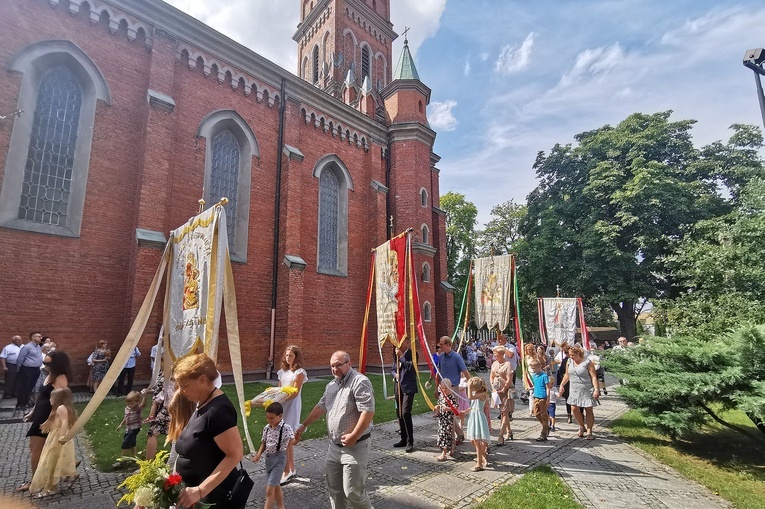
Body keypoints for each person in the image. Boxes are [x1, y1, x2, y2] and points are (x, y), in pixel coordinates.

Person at [294, 351, 375, 509]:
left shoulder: (360, 381)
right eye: (332, 366)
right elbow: (320, 406)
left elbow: (368, 411)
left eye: (339, 365)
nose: (335, 369)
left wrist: (354, 435)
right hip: (334, 447)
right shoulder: (331, 385)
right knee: (335, 491)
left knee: (353, 492)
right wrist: (303, 425)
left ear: (349, 363)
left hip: (355, 446)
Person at [172, 353, 243, 509]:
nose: (182, 392)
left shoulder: (218, 411)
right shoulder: (203, 402)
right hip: (197, 496)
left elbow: (235, 454)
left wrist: (200, 490)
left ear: (202, 380)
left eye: (184, 386)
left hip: (215, 497)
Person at [17, 350, 72, 493]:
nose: (45, 365)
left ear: (57, 364)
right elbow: (42, 396)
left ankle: (36, 481)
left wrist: (50, 420)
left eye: (48, 363)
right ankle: (48, 475)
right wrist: (33, 411)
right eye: (44, 362)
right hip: (40, 414)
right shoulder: (50, 375)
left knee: (37, 450)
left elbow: (60, 402)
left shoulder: (60, 378)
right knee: (38, 449)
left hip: (48, 417)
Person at [29, 387, 77, 497]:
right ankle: (63, 479)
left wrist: (62, 436)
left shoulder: (60, 408)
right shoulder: (61, 408)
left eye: (52, 397)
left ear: (58, 399)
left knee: (51, 461)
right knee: (55, 461)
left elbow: (64, 422)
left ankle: (51, 487)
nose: (50, 399)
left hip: (57, 439)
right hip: (55, 437)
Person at [253, 402, 293, 509]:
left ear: (280, 416)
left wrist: (296, 438)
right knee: (276, 486)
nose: (269, 420)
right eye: (267, 418)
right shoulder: (267, 428)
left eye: (272, 418)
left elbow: (292, 441)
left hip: (279, 459)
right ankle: (281, 507)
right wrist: (258, 454)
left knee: (269, 490)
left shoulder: (286, 428)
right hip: (268, 460)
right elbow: (264, 443)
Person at [276, 345, 306, 484]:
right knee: (285, 437)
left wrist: (280, 399)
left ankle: (286, 471)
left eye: (291, 356)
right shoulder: (282, 371)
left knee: (286, 437)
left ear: (296, 357)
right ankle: (291, 469)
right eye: (286, 355)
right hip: (282, 405)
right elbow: (279, 388)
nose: (288, 358)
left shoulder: (299, 372)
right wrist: (274, 399)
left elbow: (294, 392)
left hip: (292, 405)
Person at [558, 345, 600, 440]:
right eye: (570, 355)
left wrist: (596, 389)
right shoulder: (569, 361)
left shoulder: (587, 362)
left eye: (573, 355)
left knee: (588, 410)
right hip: (574, 389)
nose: (571, 357)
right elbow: (567, 375)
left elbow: (593, 376)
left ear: (579, 353)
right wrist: (561, 385)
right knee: (574, 409)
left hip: (586, 389)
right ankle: (582, 426)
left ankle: (589, 430)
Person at [436, 336, 471, 444]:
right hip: (442, 389)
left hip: (453, 389)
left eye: (441, 344)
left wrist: (472, 385)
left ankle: (450, 441)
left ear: (448, 345)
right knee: (444, 413)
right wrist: (435, 388)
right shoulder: (441, 357)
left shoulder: (457, 357)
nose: (439, 346)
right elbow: (438, 373)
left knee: (451, 413)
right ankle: (459, 434)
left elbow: (465, 372)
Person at [392, 338, 417, 452]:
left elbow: (411, 367)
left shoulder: (413, 353)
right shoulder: (396, 354)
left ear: (407, 343)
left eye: (401, 343)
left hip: (409, 387)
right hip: (398, 387)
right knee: (399, 413)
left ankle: (410, 441)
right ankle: (403, 438)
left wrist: (401, 356)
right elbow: (392, 369)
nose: (399, 345)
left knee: (405, 412)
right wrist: (395, 375)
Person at [113, 390, 147, 469]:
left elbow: (143, 404)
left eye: (132, 403)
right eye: (128, 403)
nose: (130, 405)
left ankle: (122, 461)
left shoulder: (137, 408)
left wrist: (145, 396)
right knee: (132, 442)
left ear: (137, 402)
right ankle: (134, 458)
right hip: (128, 428)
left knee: (125, 443)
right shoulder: (127, 408)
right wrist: (121, 424)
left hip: (135, 428)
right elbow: (126, 417)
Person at [145, 373, 174, 461]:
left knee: (153, 432)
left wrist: (151, 415)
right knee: (175, 435)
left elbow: (159, 398)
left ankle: (148, 464)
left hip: (165, 409)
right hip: (176, 410)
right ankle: (175, 463)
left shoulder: (167, 376)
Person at [489, 345, 514, 445]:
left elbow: (509, 380)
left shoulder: (508, 364)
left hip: (505, 391)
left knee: (504, 412)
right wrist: (493, 387)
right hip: (496, 391)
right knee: (503, 412)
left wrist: (503, 389)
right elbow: (491, 376)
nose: (494, 355)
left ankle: (500, 435)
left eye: (496, 353)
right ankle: (509, 431)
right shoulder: (494, 363)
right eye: (494, 353)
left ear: (501, 354)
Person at [465, 377, 490, 472]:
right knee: (473, 440)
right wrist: (468, 410)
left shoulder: (482, 394)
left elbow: (469, 397)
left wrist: (468, 386)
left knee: (477, 441)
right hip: (473, 416)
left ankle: (479, 463)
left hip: (478, 417)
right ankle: (483, 456)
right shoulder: (476, 393)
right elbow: (473, 403)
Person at [15, 332, 43, 410]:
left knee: (30, 386)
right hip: (27, 369)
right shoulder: (27, 347)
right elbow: (20, 359)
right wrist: (19, 369)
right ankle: (21, 404)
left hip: (36, 369)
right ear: (33, 337)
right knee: (24, 386)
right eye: (39, 336)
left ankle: (26, 402)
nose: (41, 338)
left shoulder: (38, 347)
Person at [529, 359, 553, 441]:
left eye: (534, 368)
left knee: (543, 415)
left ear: (539, 367)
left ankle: (543, 433)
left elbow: (547, 388)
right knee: (536, 413)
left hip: (543, 397)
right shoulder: (534, 376)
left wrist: (548, 399)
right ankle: (546, 426)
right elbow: (536, 385)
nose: (533, 370)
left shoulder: (544, 376)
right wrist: (531, 388)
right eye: (532, 368)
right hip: (536, 396)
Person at [434, 378, 457, 462]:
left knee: (446, 435)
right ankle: (451, 448)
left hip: (448, 420)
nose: (444, 390)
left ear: (450, 387)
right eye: (442, 388)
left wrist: (448, 408)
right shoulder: (442, 396)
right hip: (442, 419)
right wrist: (437, 408)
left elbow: (455, 408)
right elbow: (439, 404)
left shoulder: (451, 397)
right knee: (442, 434)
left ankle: (444, 453)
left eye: (446, 388)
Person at [1, 335, 23, 399]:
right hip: (11, 365)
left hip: (21, 366)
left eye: (20, 339)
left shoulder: (24, 347)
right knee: (10, 380)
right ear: (13, 341)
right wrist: (4, 366)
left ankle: (15, 393)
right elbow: (2, 357)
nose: (19, 341)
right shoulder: (8, 347)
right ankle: (8, 394)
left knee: (19, 380)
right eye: (17, 340)